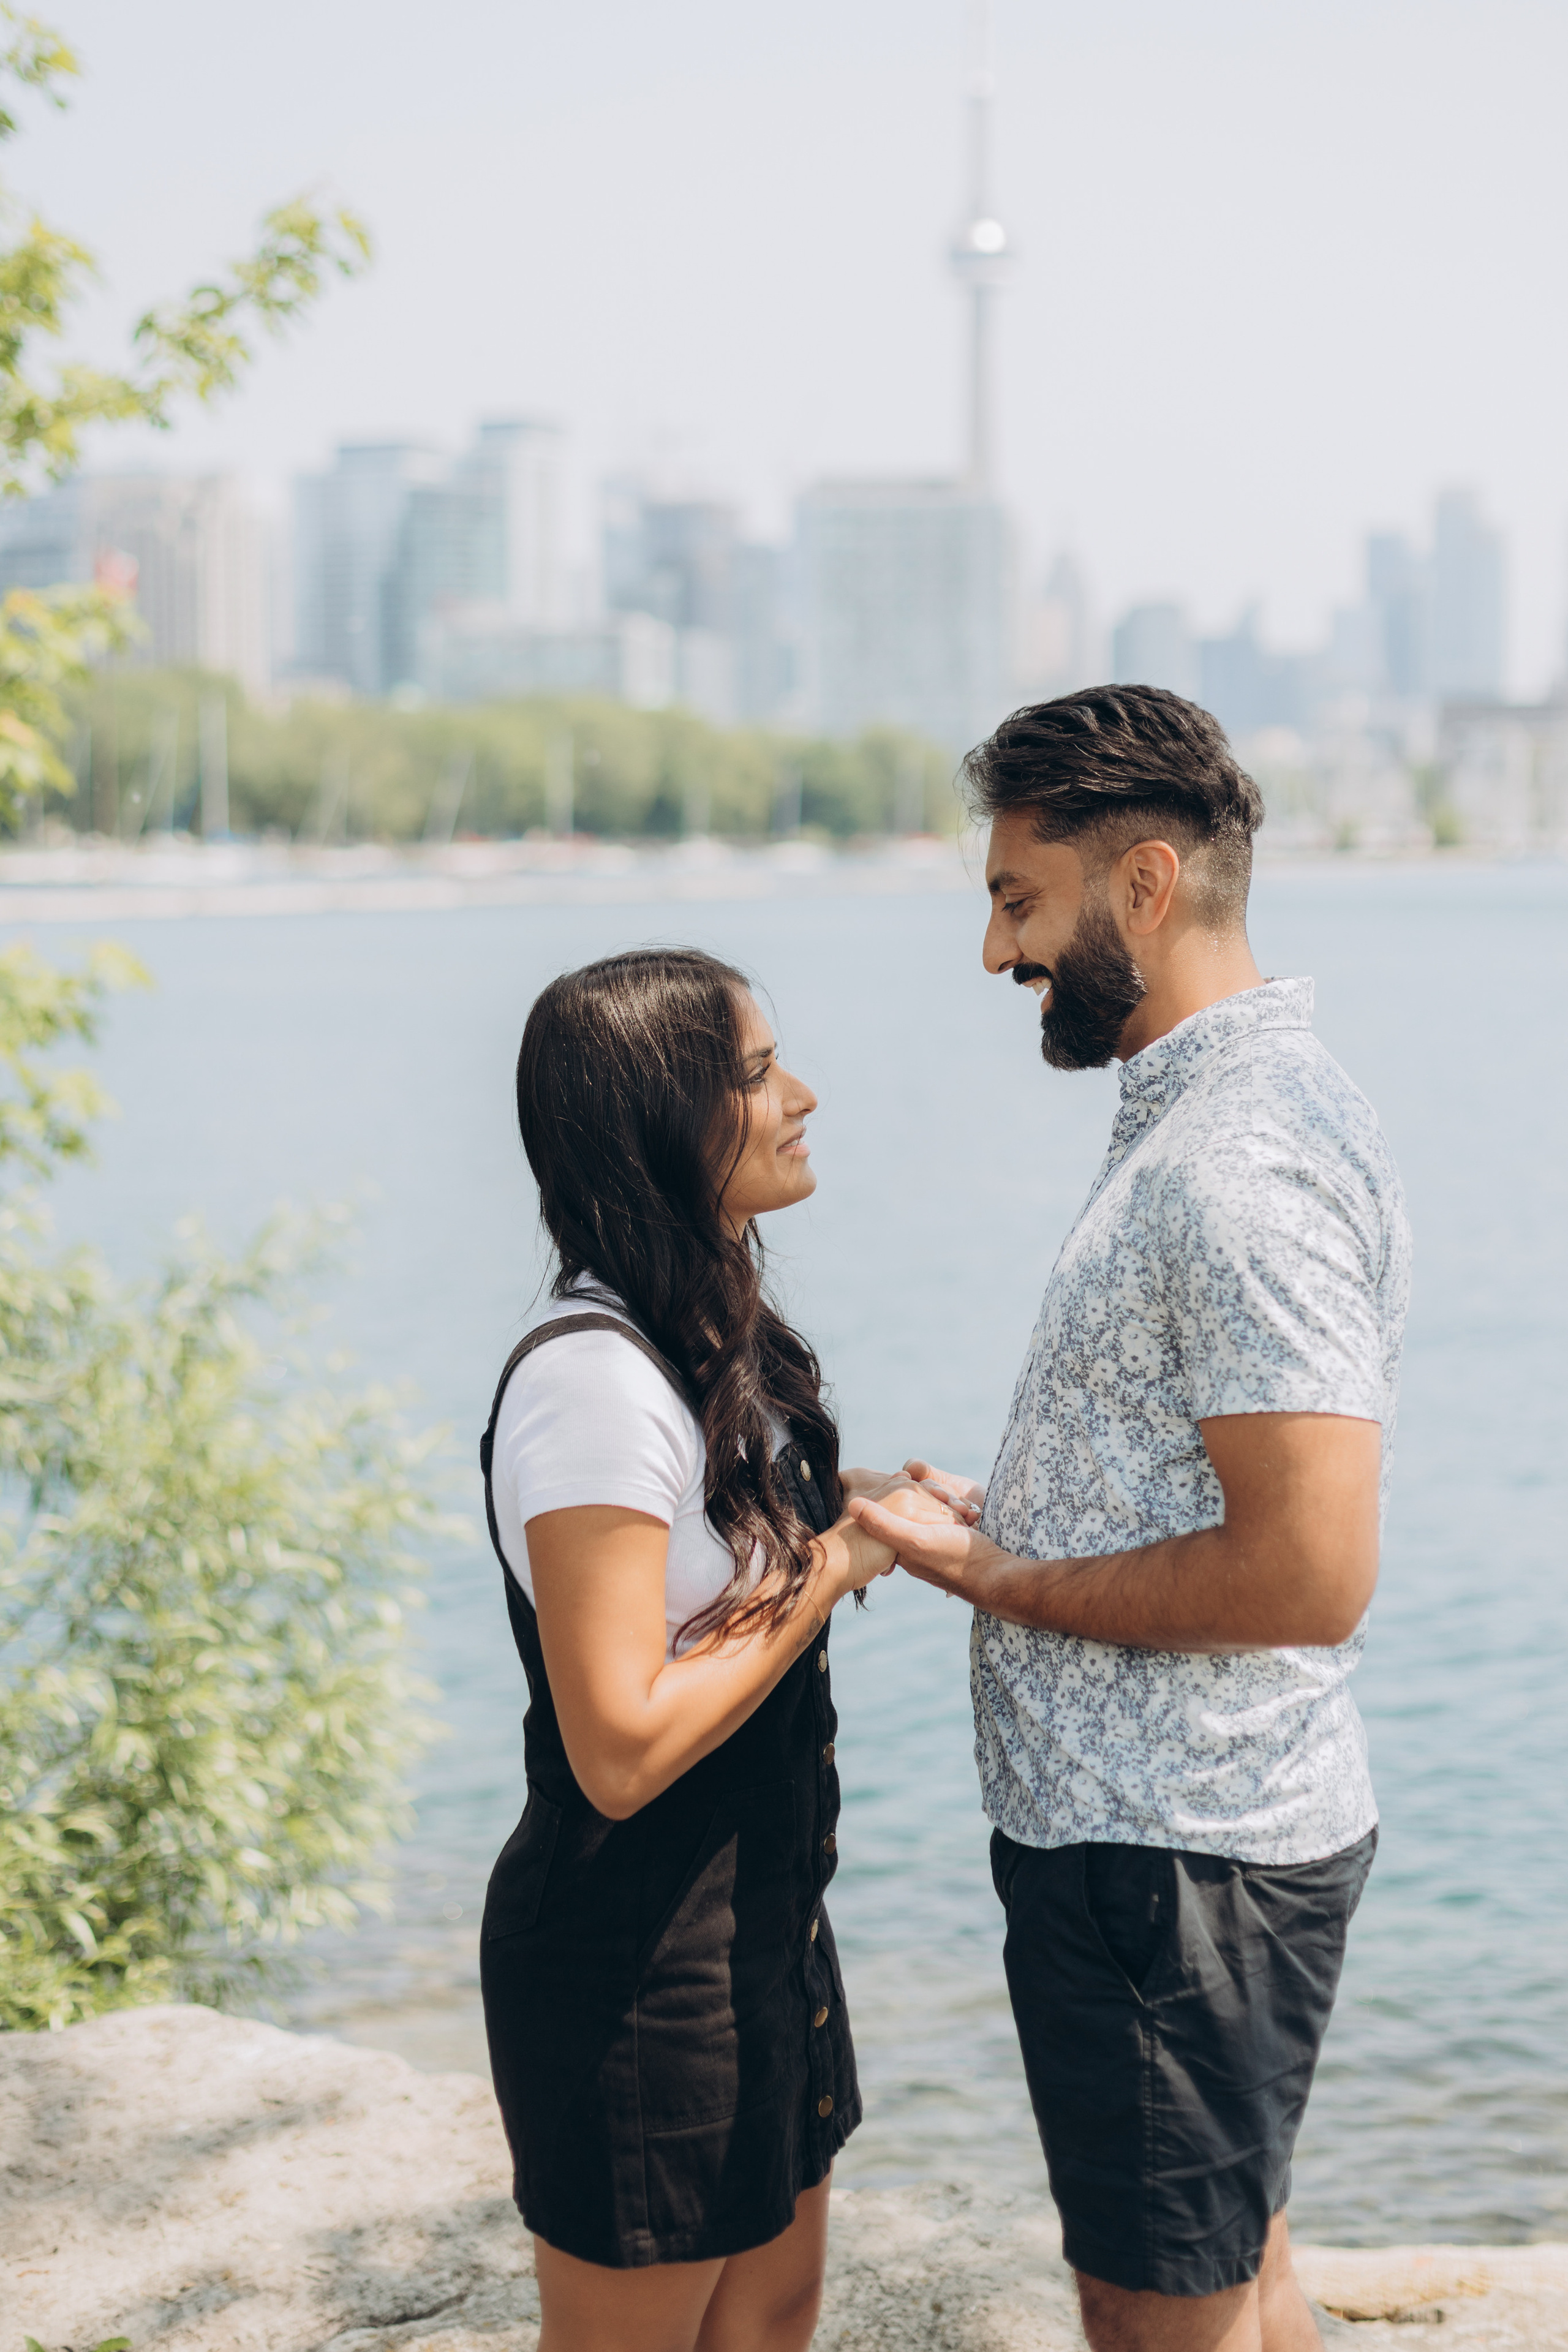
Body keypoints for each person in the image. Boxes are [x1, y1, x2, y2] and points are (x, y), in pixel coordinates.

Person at [850, 687, 1412, 2352]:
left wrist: (1003, 1575)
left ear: (1144, 888)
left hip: (1177, 1862)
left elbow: (1310, 1571)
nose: (994, 950)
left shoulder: (1240, 1163)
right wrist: (1008, 1511)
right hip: (1180, 1844)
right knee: (1246, 2280)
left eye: (1018, 899)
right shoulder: (1217, 1116)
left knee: (1158, 2314)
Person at [478, 946, 952, 2352]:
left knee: (769, 2323)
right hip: (634, 1977)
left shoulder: (696, 1341)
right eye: (753, 1074)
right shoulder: (589, 1384)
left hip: (758, 1931)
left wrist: (853, 1503)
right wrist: (829, 1566)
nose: (798, 1095)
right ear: (656, 1123)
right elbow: (617, 1745)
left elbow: (698, 1566)